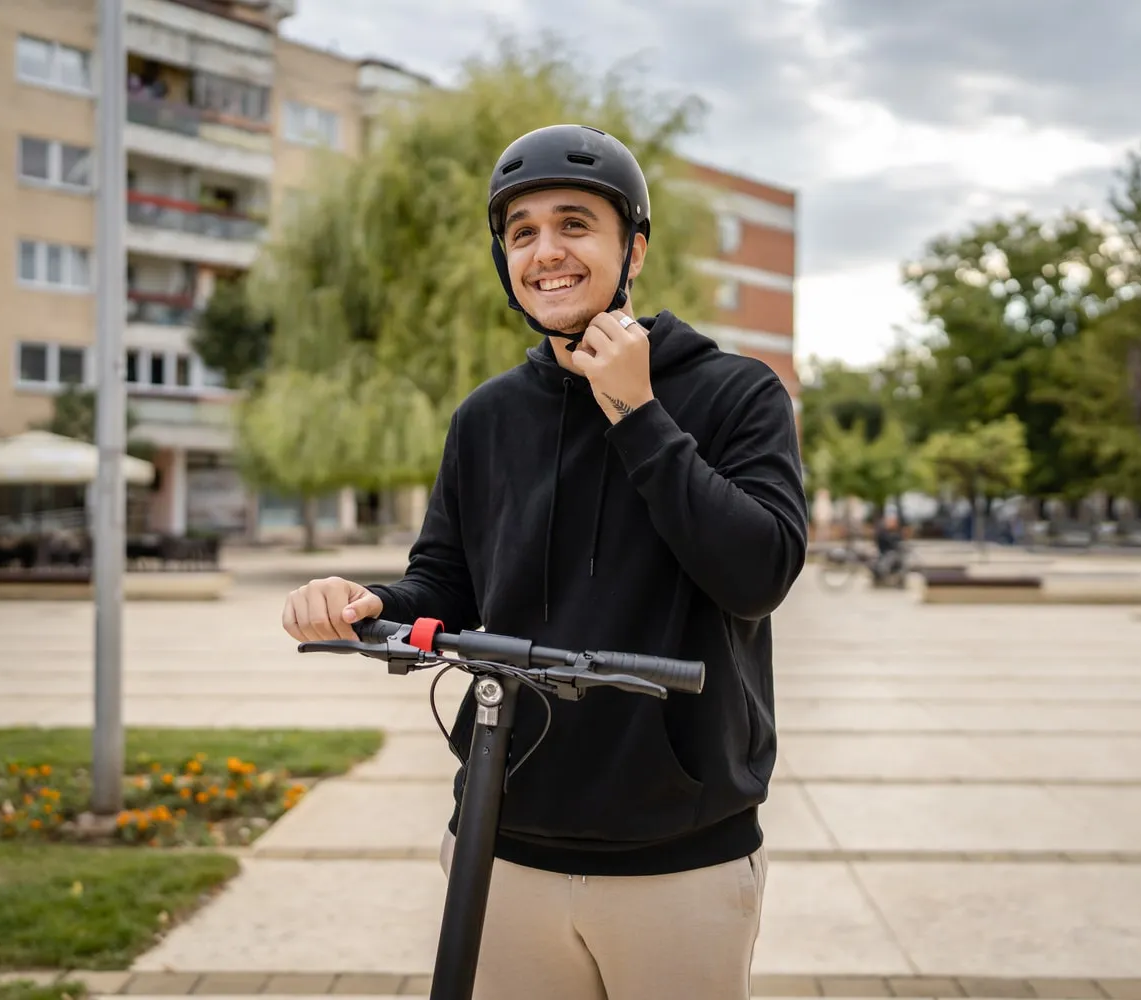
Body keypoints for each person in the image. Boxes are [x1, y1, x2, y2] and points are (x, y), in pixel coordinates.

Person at [281, 123, 808, 1000]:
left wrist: (638, 415)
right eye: (521, 231)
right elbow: (443, 587)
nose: (546, 251)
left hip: (679, 857)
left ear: (632, 248)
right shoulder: (488, 418)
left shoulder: (735, 393)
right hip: (502, 837)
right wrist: (367, 602)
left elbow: (758, 575)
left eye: (574, 224)